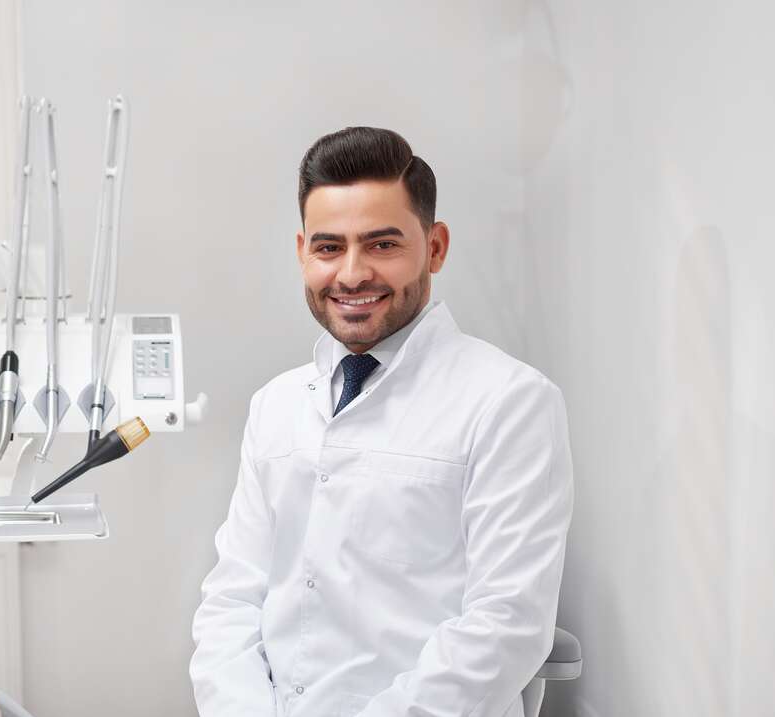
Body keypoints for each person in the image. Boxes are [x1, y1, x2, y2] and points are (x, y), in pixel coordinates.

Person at [189, 127, 574, 717]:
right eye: (328, 248)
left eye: (382, 245)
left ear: (436, 246)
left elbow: (506, 625)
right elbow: (232, 599)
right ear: (302, 253)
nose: (350, 275)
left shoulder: (509, 402)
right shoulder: (276, 405)